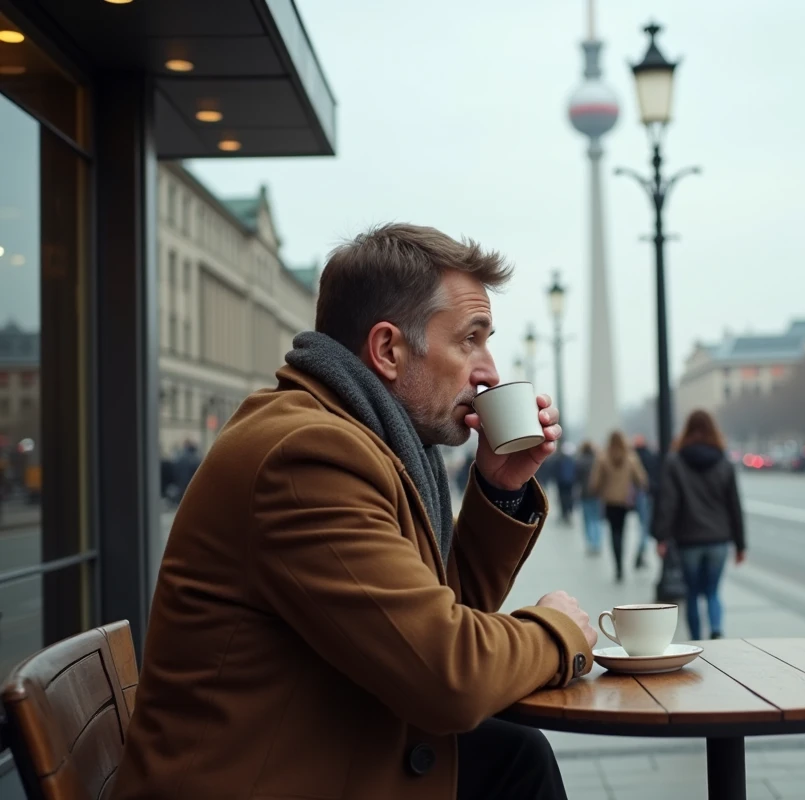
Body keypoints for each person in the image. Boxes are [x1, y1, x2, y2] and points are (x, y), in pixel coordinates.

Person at [112, 224, 598, 800]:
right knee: (514, 757)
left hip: (317, 753)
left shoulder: (369, 439)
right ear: (388, 350)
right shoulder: (307, 456)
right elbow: (447, 676)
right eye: (470, 340)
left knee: (516, 755)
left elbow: (435, 616)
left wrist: (498, 488)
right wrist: (559, 633)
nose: (489, 371)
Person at [654, 410, 745, 640]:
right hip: (718, 539)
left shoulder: (675, 462)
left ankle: (696, 639)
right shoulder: (724, 462)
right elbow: (734, 506)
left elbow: (668, 503)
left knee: (692, 593)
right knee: (713, 591)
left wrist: (662, 537)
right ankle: (716, 629)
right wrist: (740, 544)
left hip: (689, 539)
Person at [588, 431, 648, 582]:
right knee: (622, 531)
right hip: (624, 501)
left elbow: (595, 482)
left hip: (609, 501)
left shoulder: (603, 458)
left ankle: (618, 566)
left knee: (613, 532)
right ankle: (622, 563)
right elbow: (641, 479)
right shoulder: (630, 458)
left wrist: (597, 491)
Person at [632, 435, 660, 570]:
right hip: (648, 493)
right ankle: (641, 552)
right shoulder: (650, 456)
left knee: (643, 525)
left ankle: (641, 551)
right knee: (645, 526)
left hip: (640, 494)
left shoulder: (633, 457)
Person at [575, 440, 603, 556]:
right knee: (596, 519)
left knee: (587, 519)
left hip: (585, 494)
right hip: (597, 494)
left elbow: (576, 479)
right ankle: (597, 542)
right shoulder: (597, 461)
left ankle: (590, 542)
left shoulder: (580, 461)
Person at [554, 443, 578, 525]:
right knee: (569, 498)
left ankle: (564, 513)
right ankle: (568, 513)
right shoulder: (574, 460)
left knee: (562, 498)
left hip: (561, 483)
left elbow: (555, 470)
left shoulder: (559, 459)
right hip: (570, 483)